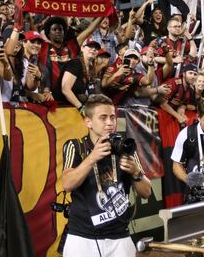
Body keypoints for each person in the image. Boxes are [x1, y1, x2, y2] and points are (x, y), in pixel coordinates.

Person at [61, 94, 152, 257]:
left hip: (120, 237)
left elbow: (146, 192)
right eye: (103, 118)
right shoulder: (76, 146)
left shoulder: (125, 147)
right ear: (88, 122)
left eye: (112, 117)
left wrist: (136, 173)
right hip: (83, 238)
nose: (110, 123)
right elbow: (67, 184)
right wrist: (91, 158)